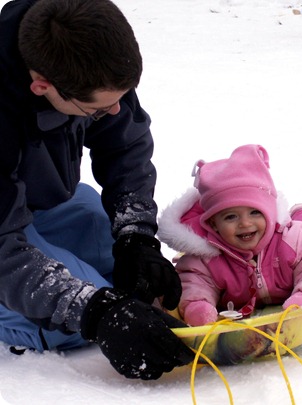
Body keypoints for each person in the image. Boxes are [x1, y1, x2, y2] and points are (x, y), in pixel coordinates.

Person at [0, 0, 194, 380]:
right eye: (101, 109)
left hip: (38, 199)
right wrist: (95, 313)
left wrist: (135, 237)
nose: (118, 110)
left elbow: (125, 147)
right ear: (42, 86)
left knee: (117, 275)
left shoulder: (78, 52)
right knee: (62, 321)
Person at [157, 145, 302, 326]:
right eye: (230, 217)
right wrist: (198, 306)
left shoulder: (292, 238)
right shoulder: (207, 258)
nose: (245, 223)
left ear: (269, 211)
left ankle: (301, 212)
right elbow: (195, 282)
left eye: (255, 212)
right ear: (213, 224)